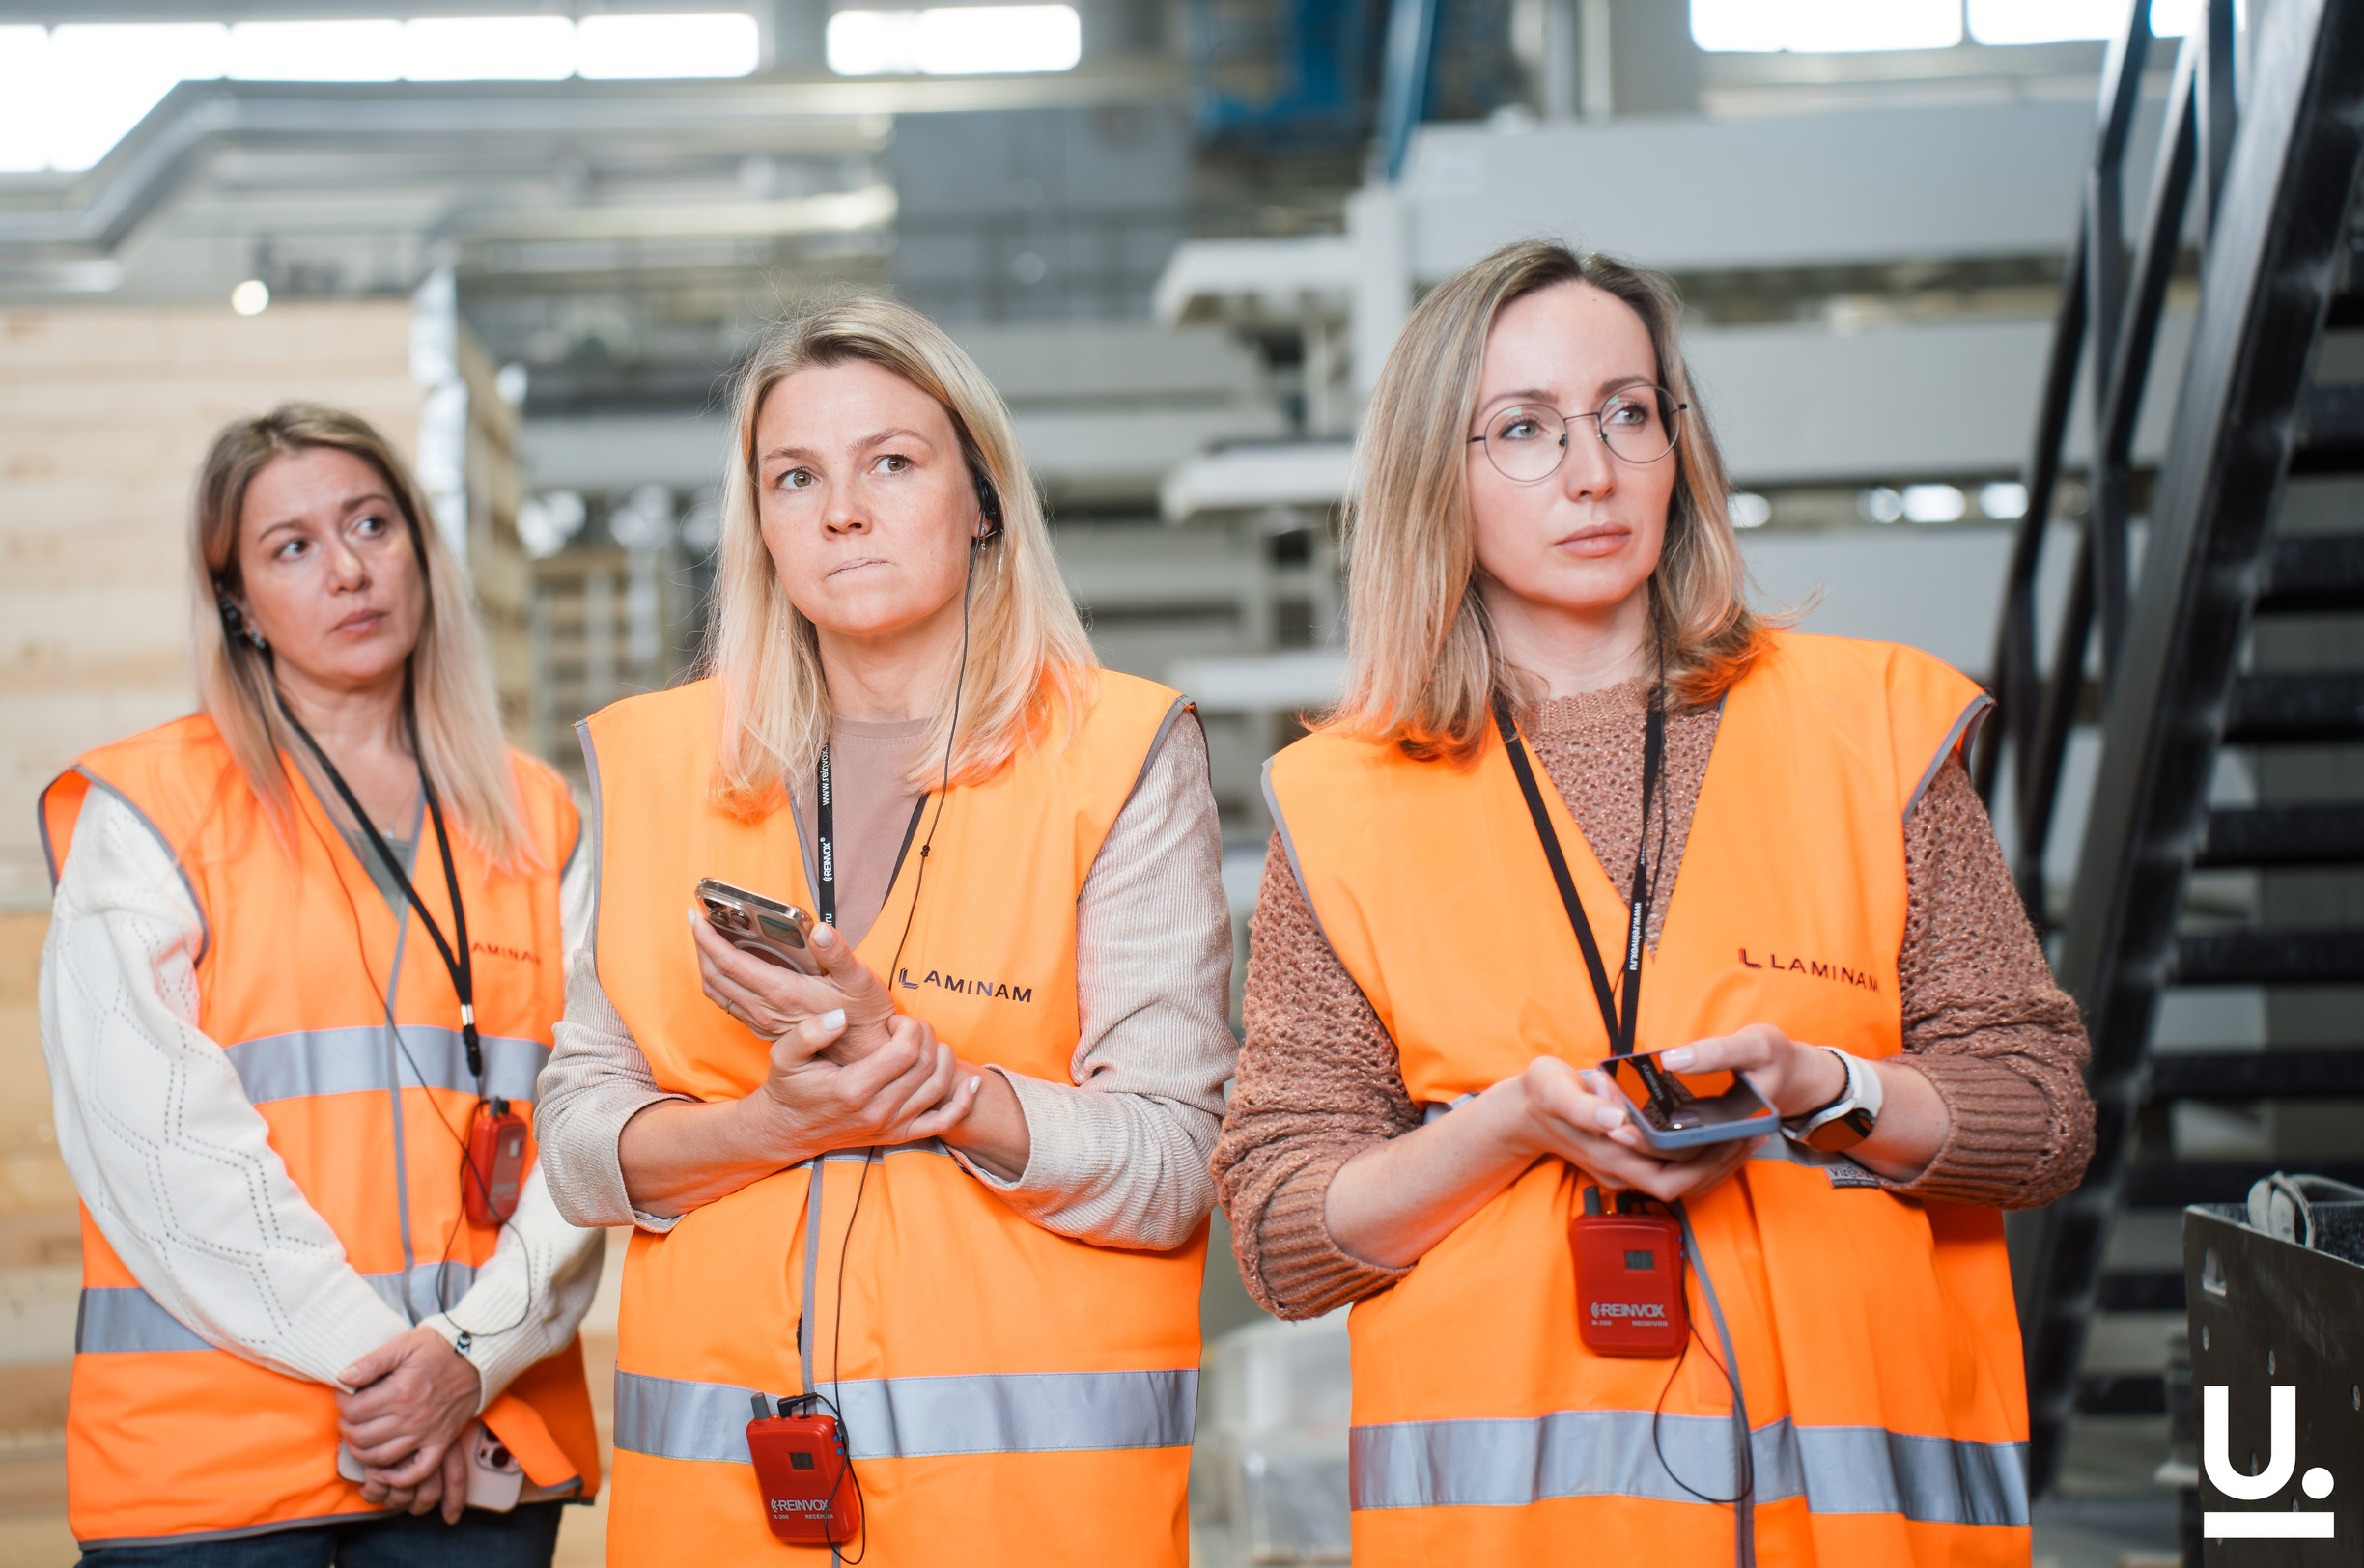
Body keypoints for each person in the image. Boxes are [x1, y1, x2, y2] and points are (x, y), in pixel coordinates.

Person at [1211, 241, 2093, 1566]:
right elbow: (1284, 1231)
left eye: (1630, 411)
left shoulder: (1868, 726)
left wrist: (1829, 1086)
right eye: (1522, 428)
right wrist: (1505, 1130)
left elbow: (2044, 1118)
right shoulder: (1342, 803)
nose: (1593, 469)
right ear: (1429, 475)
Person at [534, 295, 1235, 1566]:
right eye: (795, 476)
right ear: (759, 524)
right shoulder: (657, 765)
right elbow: (579, 1142)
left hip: (1025, 1523)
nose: (841, 510)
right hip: (722, 1524)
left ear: (982, 498)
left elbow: (1174, 1164)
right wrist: (766, 1127)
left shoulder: (1116, 756)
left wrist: (939, 1086)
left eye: (892, 464)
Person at [38, 404, 604, 1564]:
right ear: (235, 596)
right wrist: (405, 1378)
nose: (348, 569)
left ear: (419, 551)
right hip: (216, 1479)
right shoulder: (148, 812)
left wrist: (468, 1357)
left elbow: (591, 1122)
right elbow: (157, 1150)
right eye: (292, 546)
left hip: (477, 1463)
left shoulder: (538, 818)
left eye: (371, 524)